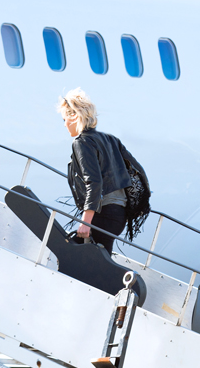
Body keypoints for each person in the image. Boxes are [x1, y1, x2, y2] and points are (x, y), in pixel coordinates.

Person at [60, 89, 149, 255]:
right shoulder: (111, 139)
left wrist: (85, 222)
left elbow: (94, 182)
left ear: (74, 116)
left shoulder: (82, 142)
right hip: (119, 215)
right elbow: (138, 170)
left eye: (65, 119)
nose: (64, 124)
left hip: (103, 214)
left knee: (69, 253)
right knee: (97, 262)